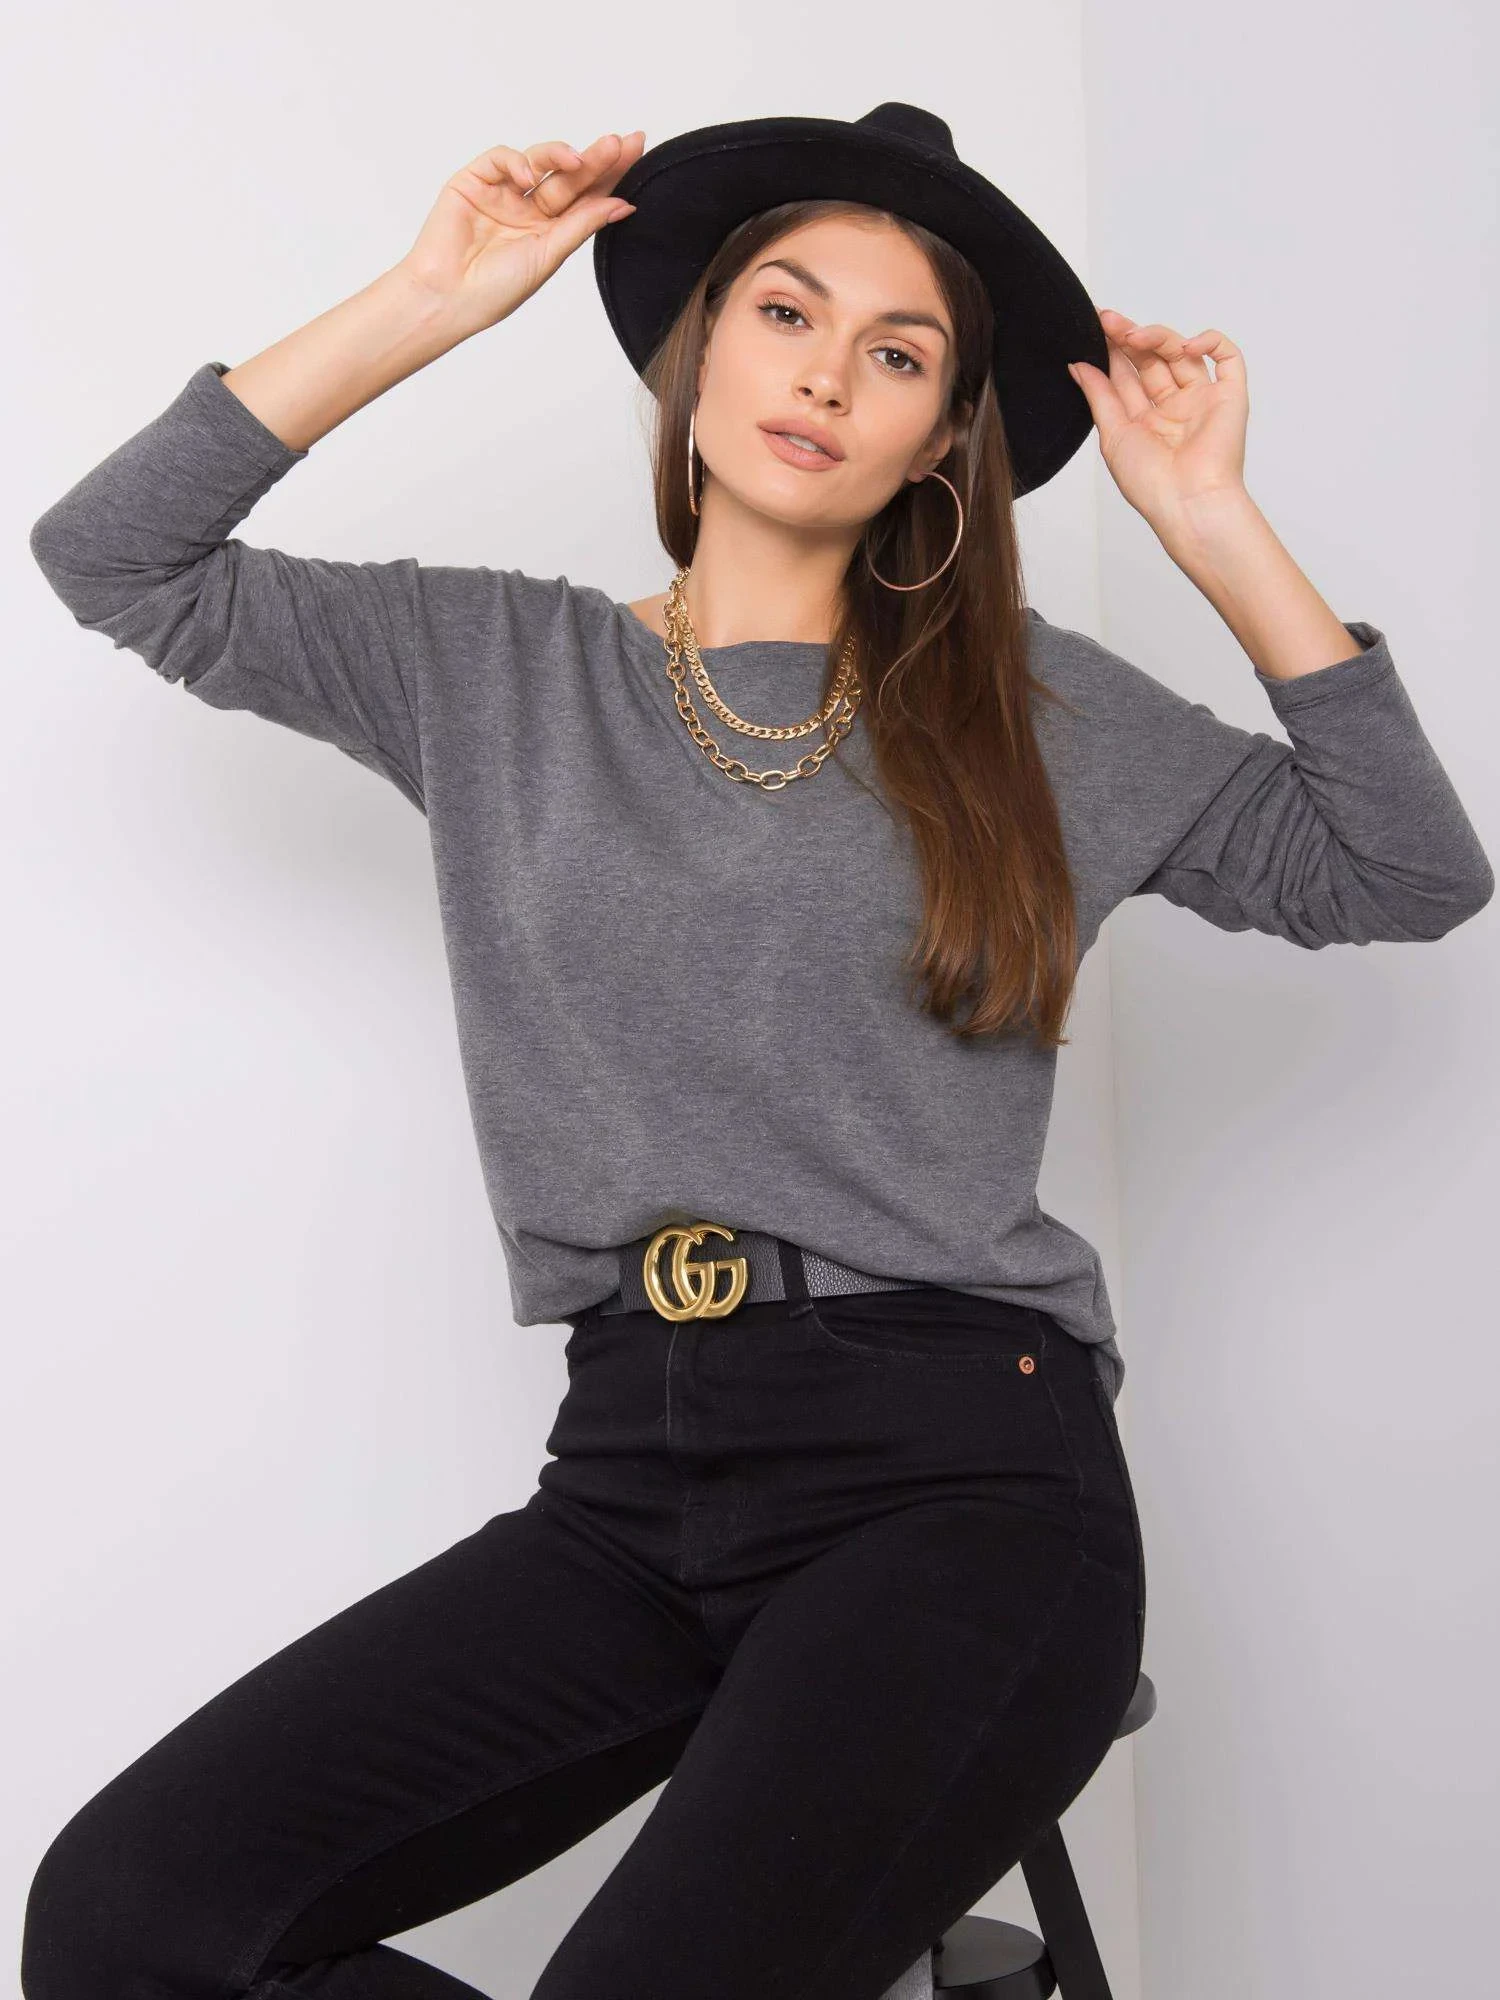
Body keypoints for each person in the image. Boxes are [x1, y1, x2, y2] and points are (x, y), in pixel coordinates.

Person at [20, 104, 1492, 2000]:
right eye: (787, 313)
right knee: (131, 1919)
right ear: (695, 350)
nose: (828, 375)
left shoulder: (1032, 710)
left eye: (900, 355)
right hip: (630, 1477)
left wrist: (1209, 521)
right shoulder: (492, 669)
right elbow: (114, 554)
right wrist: (428, 300)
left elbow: (1407, 870)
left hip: (963, 1478)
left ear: (940, 439)